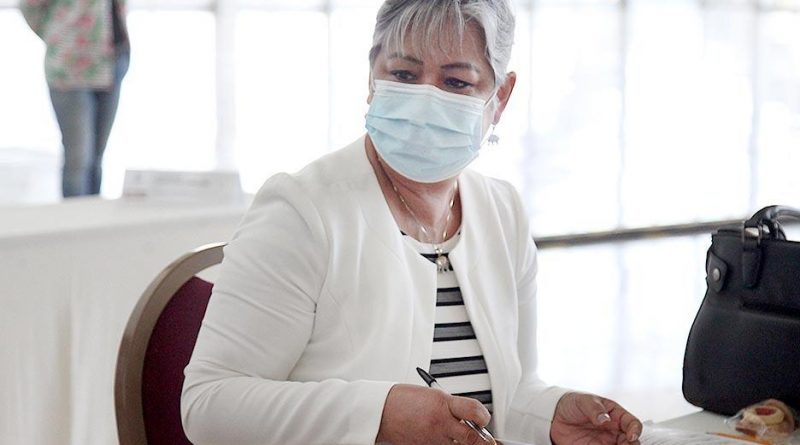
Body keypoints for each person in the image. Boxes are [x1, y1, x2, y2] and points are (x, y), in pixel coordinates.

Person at [181, 1, 644, 444]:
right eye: (404, 75)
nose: (426, 99)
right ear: (372, 77)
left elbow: (511, 392)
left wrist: (551, 416)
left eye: (456, 82)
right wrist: (380, 416)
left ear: (500, 98)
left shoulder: (502, 212)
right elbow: (209, 405)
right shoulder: (302, 210)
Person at [20, 0, 130, 197]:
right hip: (70, 67)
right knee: (78, 158)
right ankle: (74, 214)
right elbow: (29, 5)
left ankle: (93, 214)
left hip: (112, 62)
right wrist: (56, 33)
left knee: (97, 157)